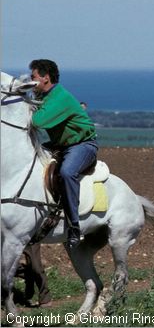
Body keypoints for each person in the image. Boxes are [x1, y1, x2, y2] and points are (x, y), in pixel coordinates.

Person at [30, 59, 98, 249]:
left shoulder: (60, 98)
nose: (31, 81)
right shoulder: (45, 96)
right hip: (61, 144)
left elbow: (37, 121)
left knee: (67, 172)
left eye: (33, 77)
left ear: (45, 78)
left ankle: (74, 227)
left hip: (83, 145)